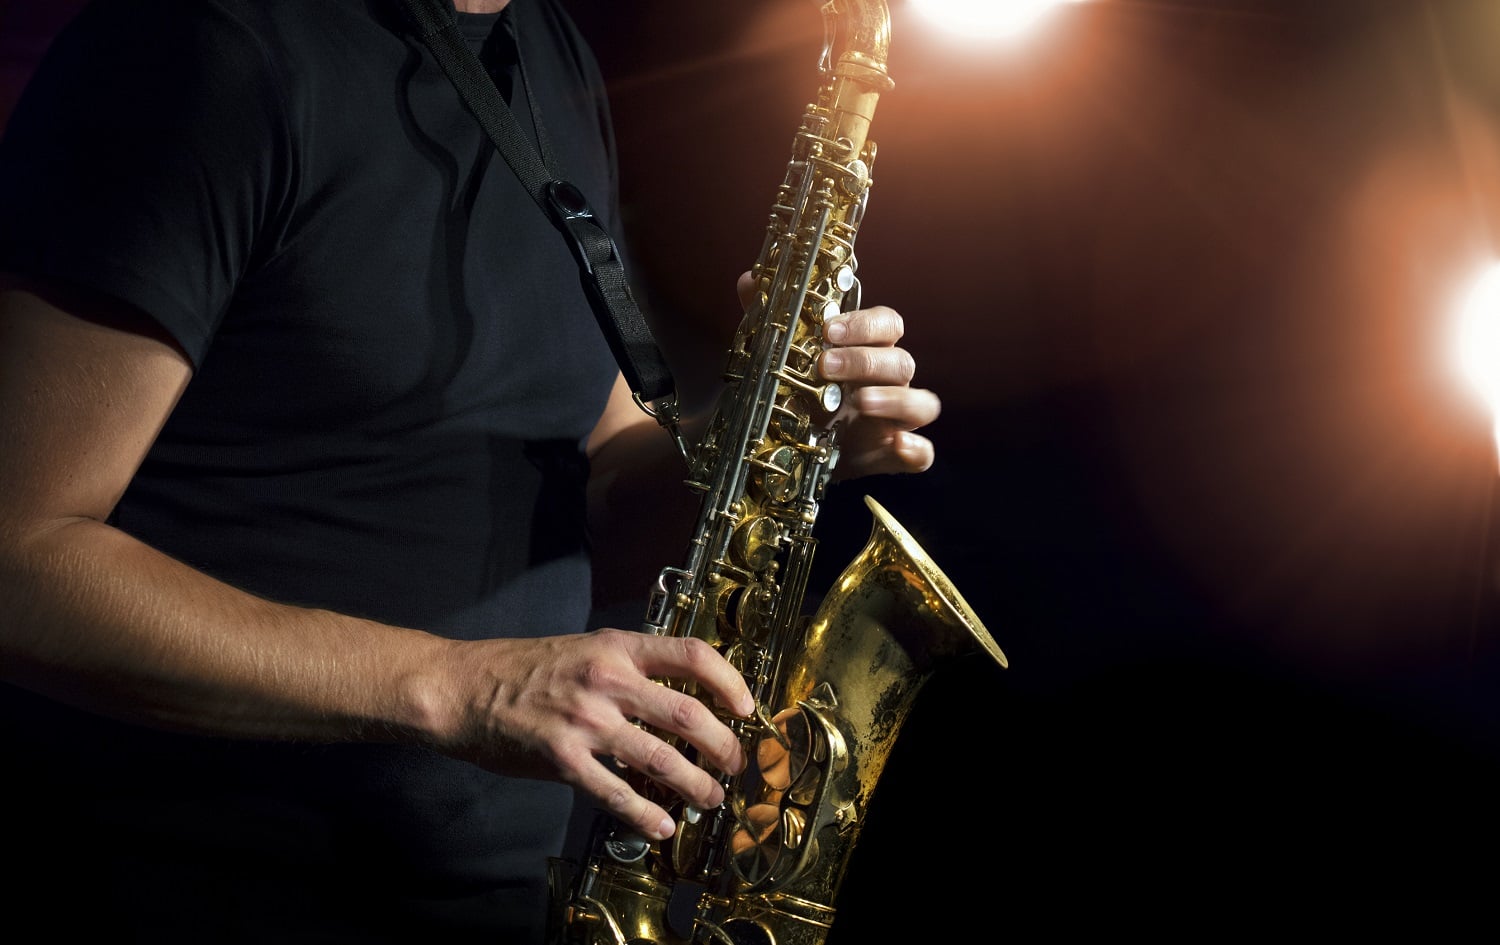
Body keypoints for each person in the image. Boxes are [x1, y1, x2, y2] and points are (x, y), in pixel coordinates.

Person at [0, 0, 942, 941]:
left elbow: (596, 476)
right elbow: (15, 560)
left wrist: (773, 432)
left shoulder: (542, 48)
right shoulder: (201, 46)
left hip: (492, 907)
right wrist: (463, 686)